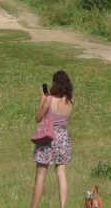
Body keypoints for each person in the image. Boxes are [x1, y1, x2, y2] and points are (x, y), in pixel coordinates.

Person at [30, 70, 74, 208]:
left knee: (40, 177)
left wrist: (41, 100)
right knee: (61, 174)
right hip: (63, 138)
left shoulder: (49, 100)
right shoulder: (70, 101)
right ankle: (62, 206)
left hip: (48, 138)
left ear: (54, 83)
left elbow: (38, 118)